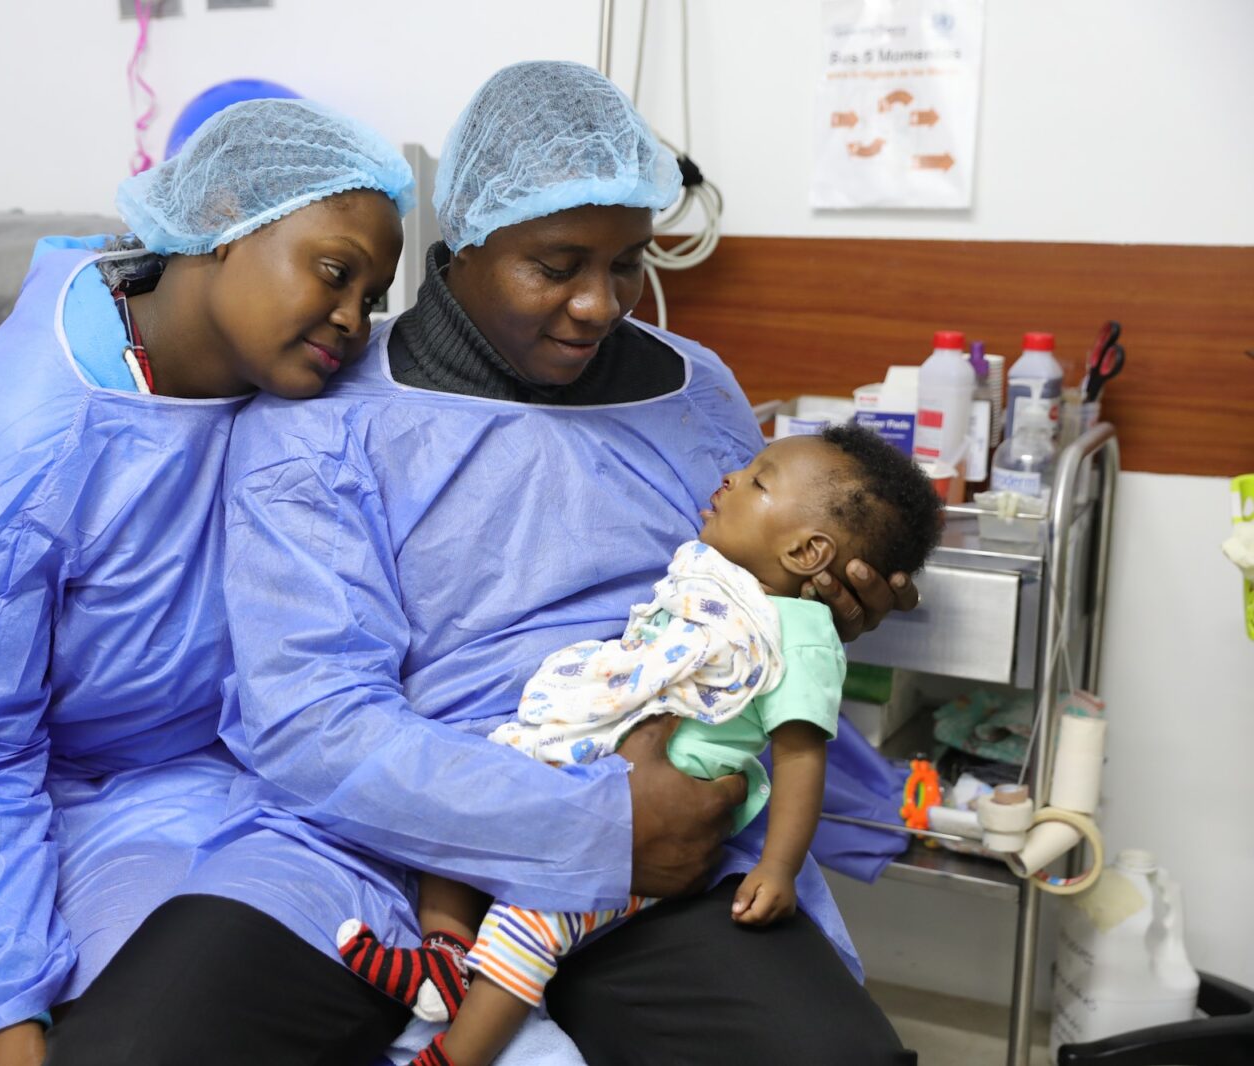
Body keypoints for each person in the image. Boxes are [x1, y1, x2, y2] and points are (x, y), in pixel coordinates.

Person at [47, 61, 919, 1065]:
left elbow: (745, 589)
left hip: (658, 844)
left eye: (629, 261)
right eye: (556, 265)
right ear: (460, 242)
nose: (601, 304)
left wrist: (815, 608)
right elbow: (312, 721)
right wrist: (592, 821)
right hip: (373, 840)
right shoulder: (326, 421)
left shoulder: (694, 394)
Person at [0, 98, 412, 1066]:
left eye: (371, 292)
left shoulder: (294, 381)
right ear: (219, 225)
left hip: (174, 771)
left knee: (143, 1022)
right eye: (333, 271)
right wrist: (9, 1011)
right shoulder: (15, 450)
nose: (352, 317)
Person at [338, 425, 943, 1066]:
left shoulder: (798, 633)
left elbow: (801, 756)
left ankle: (455, 1054)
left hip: (651, 833)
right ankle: (445, 956)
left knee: (529, 926)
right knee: (468, 818)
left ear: (805, 550)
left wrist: (777, 867)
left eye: (759, 481)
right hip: (580, 766)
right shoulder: (713, 575)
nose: (732, 478)